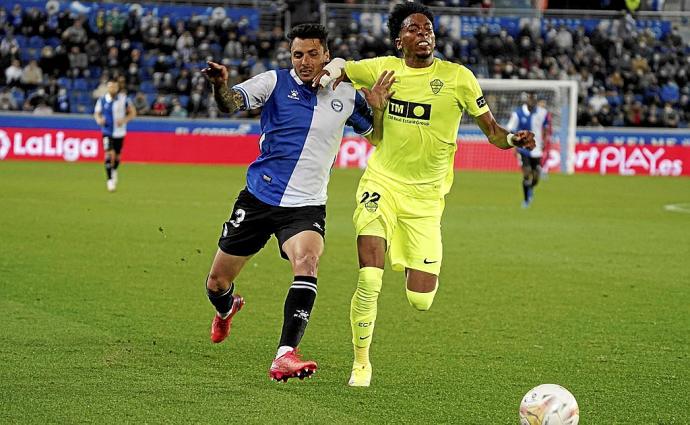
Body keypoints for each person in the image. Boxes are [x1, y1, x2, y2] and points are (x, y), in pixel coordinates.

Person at [313, 2, 535, 387]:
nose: (424, 34)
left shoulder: (459, 78)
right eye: (415, 29)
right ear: (399, 40)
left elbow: (494, 134)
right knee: (370, 278)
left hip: (427, 200)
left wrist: (515, 139)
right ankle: (361, 364)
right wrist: (343, 82)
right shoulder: (384, 68)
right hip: (382, 184)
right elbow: (344, 65)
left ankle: (410, 257)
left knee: (421, 299)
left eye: (428, 28)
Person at [201, 23, 393, 382]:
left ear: (327, 55)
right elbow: (230, 105)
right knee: (216, 282)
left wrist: (378, 108)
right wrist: (219, 85)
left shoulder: (347, 94)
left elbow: (377, 136)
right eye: (297, 54)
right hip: (259, 199)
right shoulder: (273, 82)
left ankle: (285, 353)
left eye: (312, 54)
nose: (305, 61)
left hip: (305, 207)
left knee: (307, 260)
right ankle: (227, 309)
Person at [507, 92, 551, 207]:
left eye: (534, 100)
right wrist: (514, 145)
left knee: (536, 176)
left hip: (536, 150)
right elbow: (510, 129)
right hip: (523, 148)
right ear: (526, 101)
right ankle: (526, 200)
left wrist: (545, 140)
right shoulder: (518, 113)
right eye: (530, 99)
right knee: (526, 172)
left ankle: (530, 187)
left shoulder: (542, 112)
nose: (532, 102)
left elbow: (546, 125)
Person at [94, 78, 136, 192]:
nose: (112, 88)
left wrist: (124, 120)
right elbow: (97, 113)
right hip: (107, 131)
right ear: (108, 87)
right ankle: (109, 181)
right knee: (109, 154)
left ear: (117, 88)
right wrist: (99, 120)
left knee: (117, 156)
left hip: (120, 132)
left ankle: (114, 170)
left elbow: (133, 113)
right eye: (110, 86)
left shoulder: (124, 99)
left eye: (114, 86)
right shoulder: (102, 100)